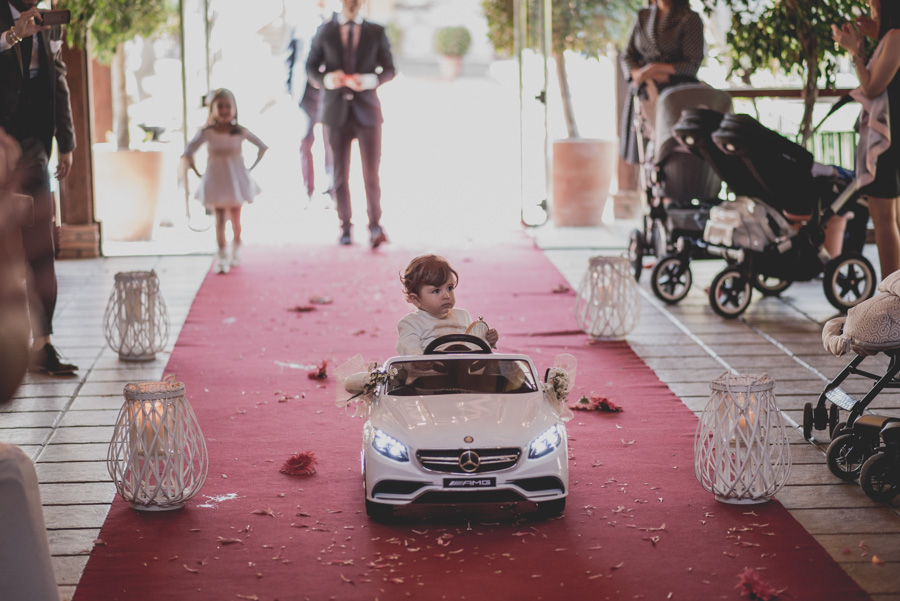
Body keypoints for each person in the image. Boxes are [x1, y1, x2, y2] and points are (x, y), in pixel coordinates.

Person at [1, 0, 77, 375]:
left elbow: (58, 76)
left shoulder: (50, 19)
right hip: (0, 138)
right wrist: (14, 35)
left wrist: (67, 140)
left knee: (41, 244)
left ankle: (42, 344)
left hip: (34, 143)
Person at [305, 0, 396, 247]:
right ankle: (344, 226)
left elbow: (390, 69)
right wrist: (326, 79)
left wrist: (368, 80)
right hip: (335, 113)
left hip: (368, 113)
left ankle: (375, 225)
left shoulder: (375, 31)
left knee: (371, 173)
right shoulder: (325, 30)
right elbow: (310, 68)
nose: (352, 2)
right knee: (339, 174)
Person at [833, 0, 900, 279]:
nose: (869, 4)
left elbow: (872, 87)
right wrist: (869, 40)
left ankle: (891, 298)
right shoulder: (890, 36)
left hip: (888, 140)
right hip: (891, 136)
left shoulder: (896, 36)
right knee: (889, 218)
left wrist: (854, 52)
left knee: (884, 218)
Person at [183, 88, 268, 274]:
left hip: (235, 181)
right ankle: (222, 255)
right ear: (212, 109)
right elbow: (188, 151)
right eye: (219, 106)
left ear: (235, 108)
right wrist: (197, 171)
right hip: (216, 180)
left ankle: (236, 249)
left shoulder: (240, 132)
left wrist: (249, 169)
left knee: (236, 219)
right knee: (219, 220)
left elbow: (262, 147)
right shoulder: (207, 132)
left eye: (228, 106)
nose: (224, 110)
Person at [618, 0, 705, 165]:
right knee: (643, 153)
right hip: (643, 91)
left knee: (672, 154)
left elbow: (692, 65)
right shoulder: (642, 15)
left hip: (675, 94)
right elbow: (627, 55)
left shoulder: (689, 18)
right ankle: (647, 189)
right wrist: (639, 74)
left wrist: (655, 68)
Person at [396, 254, 499, 355]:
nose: (446, 295)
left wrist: (488, 340)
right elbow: (409, 348)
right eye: (436, 291)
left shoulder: (462, 316)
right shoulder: (411, 323)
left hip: (465, 369)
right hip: (430, 371)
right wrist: (418, 362)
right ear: (416, 299)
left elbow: (474, 345)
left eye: (449, 288)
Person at [286, 4, 334, 202]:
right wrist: (289, 87)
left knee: (330, 142)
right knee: (305, 141)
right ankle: (309, 189)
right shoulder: (300, 24)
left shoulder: (336, 21)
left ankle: (331, 188)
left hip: (330, 93)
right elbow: (292, 58)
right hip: (305, 93)